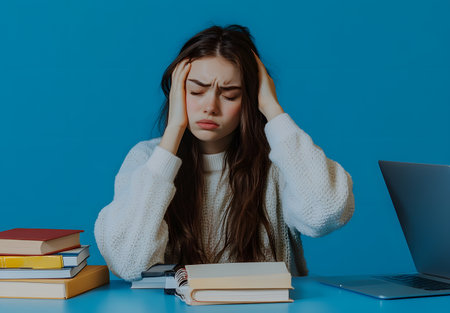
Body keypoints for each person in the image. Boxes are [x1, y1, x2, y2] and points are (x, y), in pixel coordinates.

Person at [94, 24, 355, 282]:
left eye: (230, 95)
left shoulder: (281, 161)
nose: (210, 106)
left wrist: (273, 109)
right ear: (176, 92)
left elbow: (326, 212)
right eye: (196, 91)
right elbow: (127, 262)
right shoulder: (148, 159)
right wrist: (174, 129)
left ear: (250, 100)